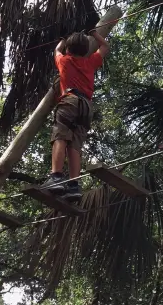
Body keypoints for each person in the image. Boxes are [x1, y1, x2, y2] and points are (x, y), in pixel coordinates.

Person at [40, 29, 109, 200]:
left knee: (60, 137)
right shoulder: (91, 62)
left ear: (68, 50)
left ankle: (56, 177)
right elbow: (105, 46)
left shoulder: (65, 61)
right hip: (86, 106)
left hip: (70, 100)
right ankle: (73, 185)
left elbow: (56, 51)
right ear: (86, 50)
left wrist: (62, 42)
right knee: (75, 145)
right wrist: (95, 34)